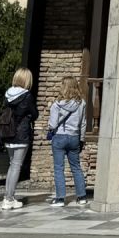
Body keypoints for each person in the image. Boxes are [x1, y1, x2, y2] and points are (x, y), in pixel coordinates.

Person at [0, 69, 39, 210]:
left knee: (12, 165)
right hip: (21, 133)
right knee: (16, 166)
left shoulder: (7, 94)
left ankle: (7, 196)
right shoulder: (27, 96)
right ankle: (9, 199)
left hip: (8, 132)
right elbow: (34, 114)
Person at [48, 77, 89, 206]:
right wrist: (81, 139)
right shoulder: (81, 103)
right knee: (76, 167)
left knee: (59, 168)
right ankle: (82, 196)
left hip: (60, 136)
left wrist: (50, 126)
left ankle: (60, 198)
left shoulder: (57, 104)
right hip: (74, 137)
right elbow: (83, 123)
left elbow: (53, 124)